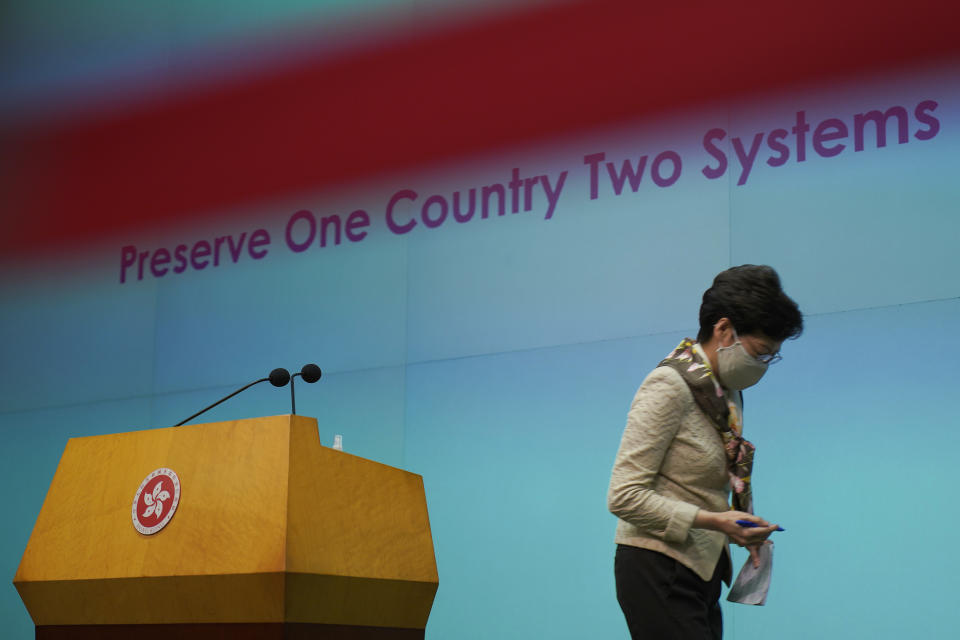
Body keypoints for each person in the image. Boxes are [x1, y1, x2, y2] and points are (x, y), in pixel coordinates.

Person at [607, 264, 803, 639]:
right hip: (658, 568)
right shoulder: (669, 385)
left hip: (702, 570)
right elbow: (623, 496)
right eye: (761, 352)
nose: (764, 365)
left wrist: (738, 528)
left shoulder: (725, 394)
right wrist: (716, 521)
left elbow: (702, 491)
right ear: (724, 329)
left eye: (772, 356)